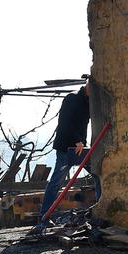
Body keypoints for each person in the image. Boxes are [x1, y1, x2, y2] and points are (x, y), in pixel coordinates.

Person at [37, 78, 94, 223]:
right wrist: (77, 140)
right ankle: (44, 216)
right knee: (56, 182)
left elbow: (84, 125)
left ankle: (99, 211)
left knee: (97, 175)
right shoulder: (72, 98)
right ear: (87, 87)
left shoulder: (89, 102)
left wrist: (83, 142)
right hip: (66, 147)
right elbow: (64, 123)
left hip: (80, 148)